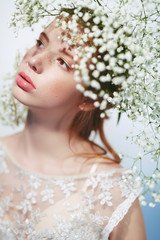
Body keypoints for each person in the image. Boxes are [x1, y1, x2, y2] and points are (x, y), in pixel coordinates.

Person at [0, 6, 146, 240]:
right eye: (40, 42)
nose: (34, 60)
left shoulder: (112, 190)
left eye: (63, 62)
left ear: (88, 99)